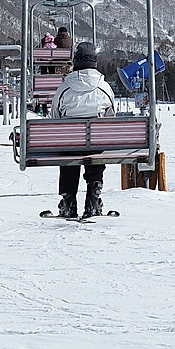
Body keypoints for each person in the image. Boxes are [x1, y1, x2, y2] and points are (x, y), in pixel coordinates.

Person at [50, 42, 117, 218]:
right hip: (95, 146)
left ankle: (68, 201)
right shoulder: (104, 87)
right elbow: (111, 116)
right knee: (96, 148)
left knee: (68, 154)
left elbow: (55, 116)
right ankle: (93, 199)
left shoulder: (65, 87)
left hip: (69, 146)